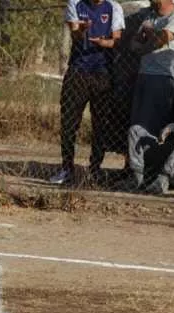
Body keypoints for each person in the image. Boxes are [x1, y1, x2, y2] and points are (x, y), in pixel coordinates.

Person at [50, 0, 124, 186]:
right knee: (69, 122)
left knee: (100, 124)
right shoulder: (75, 4)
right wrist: (82, 30)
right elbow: (75, 34)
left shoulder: (114, 7)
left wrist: (103, 42)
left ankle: (94, 170)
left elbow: (116, 40)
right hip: (78, 71)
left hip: (103, 73)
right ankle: (67, 168)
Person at [126, 0, 174, 190]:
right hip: (144, 74)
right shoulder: (151, 17)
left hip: (163, 76)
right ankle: (138, 175)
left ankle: (153, 173)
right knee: (138, 126)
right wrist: (146, 39)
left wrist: (148, 36)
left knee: (153, 127)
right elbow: (134, 45)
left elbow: (160, 40)